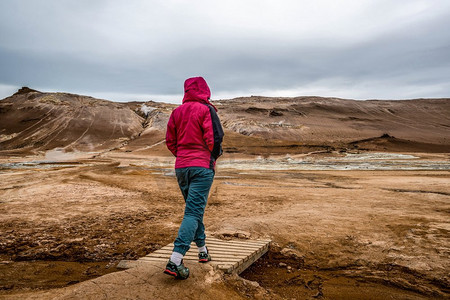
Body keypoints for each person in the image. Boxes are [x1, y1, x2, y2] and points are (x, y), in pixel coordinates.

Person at [164, 76, 224, 279]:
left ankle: (202, 250)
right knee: (193, 212)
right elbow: (215, 138)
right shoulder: (206, 109)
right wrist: (212, 156)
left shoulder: (176, 112)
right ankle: (175, 259)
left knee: (193, 211)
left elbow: (170, 141)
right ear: (205, 90)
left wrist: (182, 156)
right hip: (202, 167)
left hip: (182, 167)